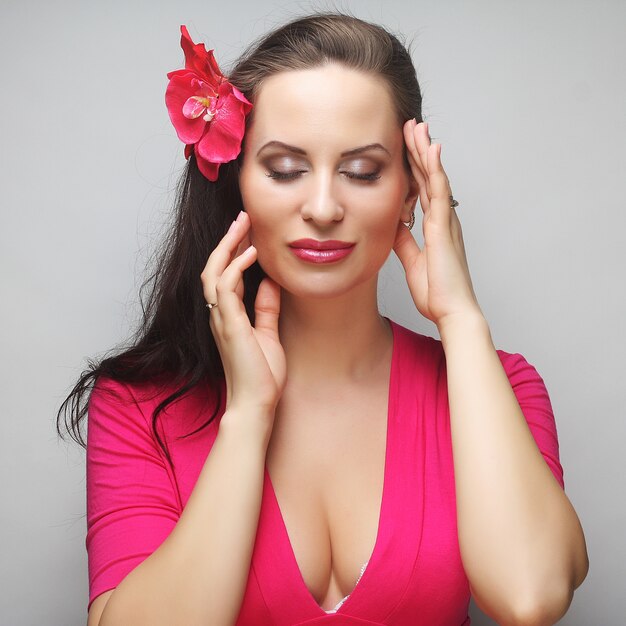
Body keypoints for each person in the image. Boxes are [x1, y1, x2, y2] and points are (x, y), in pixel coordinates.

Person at [58, 12, 588, 626]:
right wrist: (248, 417)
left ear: (411, 191)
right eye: (285, 169)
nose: (324, 207)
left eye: (363, 171)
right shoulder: (139, 405)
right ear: (237, 182)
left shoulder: (499, 387)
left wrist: (461, 319)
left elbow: (532, 597)